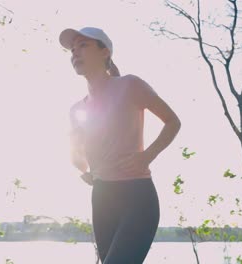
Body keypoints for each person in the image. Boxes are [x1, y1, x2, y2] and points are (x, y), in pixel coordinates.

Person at [59, 27, 181, 263]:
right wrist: (85, 170)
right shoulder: (77, 110)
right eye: (72, 50)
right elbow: (75, 154)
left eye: (83, 45)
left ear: (105, 52)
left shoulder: (130, 85)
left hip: (136, 196)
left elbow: (173, 121)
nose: (75, 53)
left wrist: (148, 155)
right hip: (102, 198)